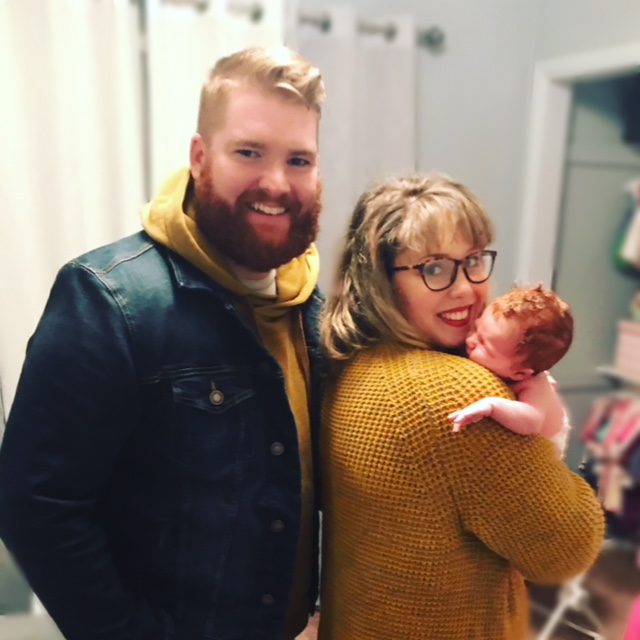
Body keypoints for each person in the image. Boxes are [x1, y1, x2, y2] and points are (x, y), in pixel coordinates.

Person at [0, 46, 325, 640]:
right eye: (249, 152)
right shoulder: (108, 298)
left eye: (298, 159)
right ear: (200, 158)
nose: (277, 183)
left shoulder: (314, 308)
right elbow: (36, 507)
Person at [318, 172, 605, 640]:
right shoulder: (454, 392)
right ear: (380, 280)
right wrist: (555, 442)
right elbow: (568, 549)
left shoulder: (352, 362)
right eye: (434, 268)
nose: (466, 289)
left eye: (473, 260)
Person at [448, 284, 574, 455]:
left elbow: (532, 422)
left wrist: (492, 406)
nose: (470, 340)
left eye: (484, 345)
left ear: (519, 374)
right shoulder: (508, 360)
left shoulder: (535, 385)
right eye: (476, 329)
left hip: (552, 438)